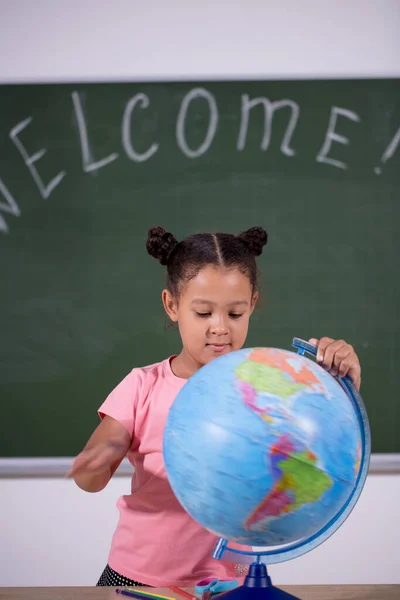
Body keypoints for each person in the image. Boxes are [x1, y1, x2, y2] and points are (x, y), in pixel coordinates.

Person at [68, 225, 362, 588]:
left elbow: (326, 440)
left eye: (235, 314)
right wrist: (101, 455)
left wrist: (341, 381)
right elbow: (89, 478)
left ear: (252, 303)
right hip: (139, 581)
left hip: (230, 585)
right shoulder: (142, 386)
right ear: (172, 305)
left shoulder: (272, 388)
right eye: (204, 313)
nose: (220, 328)